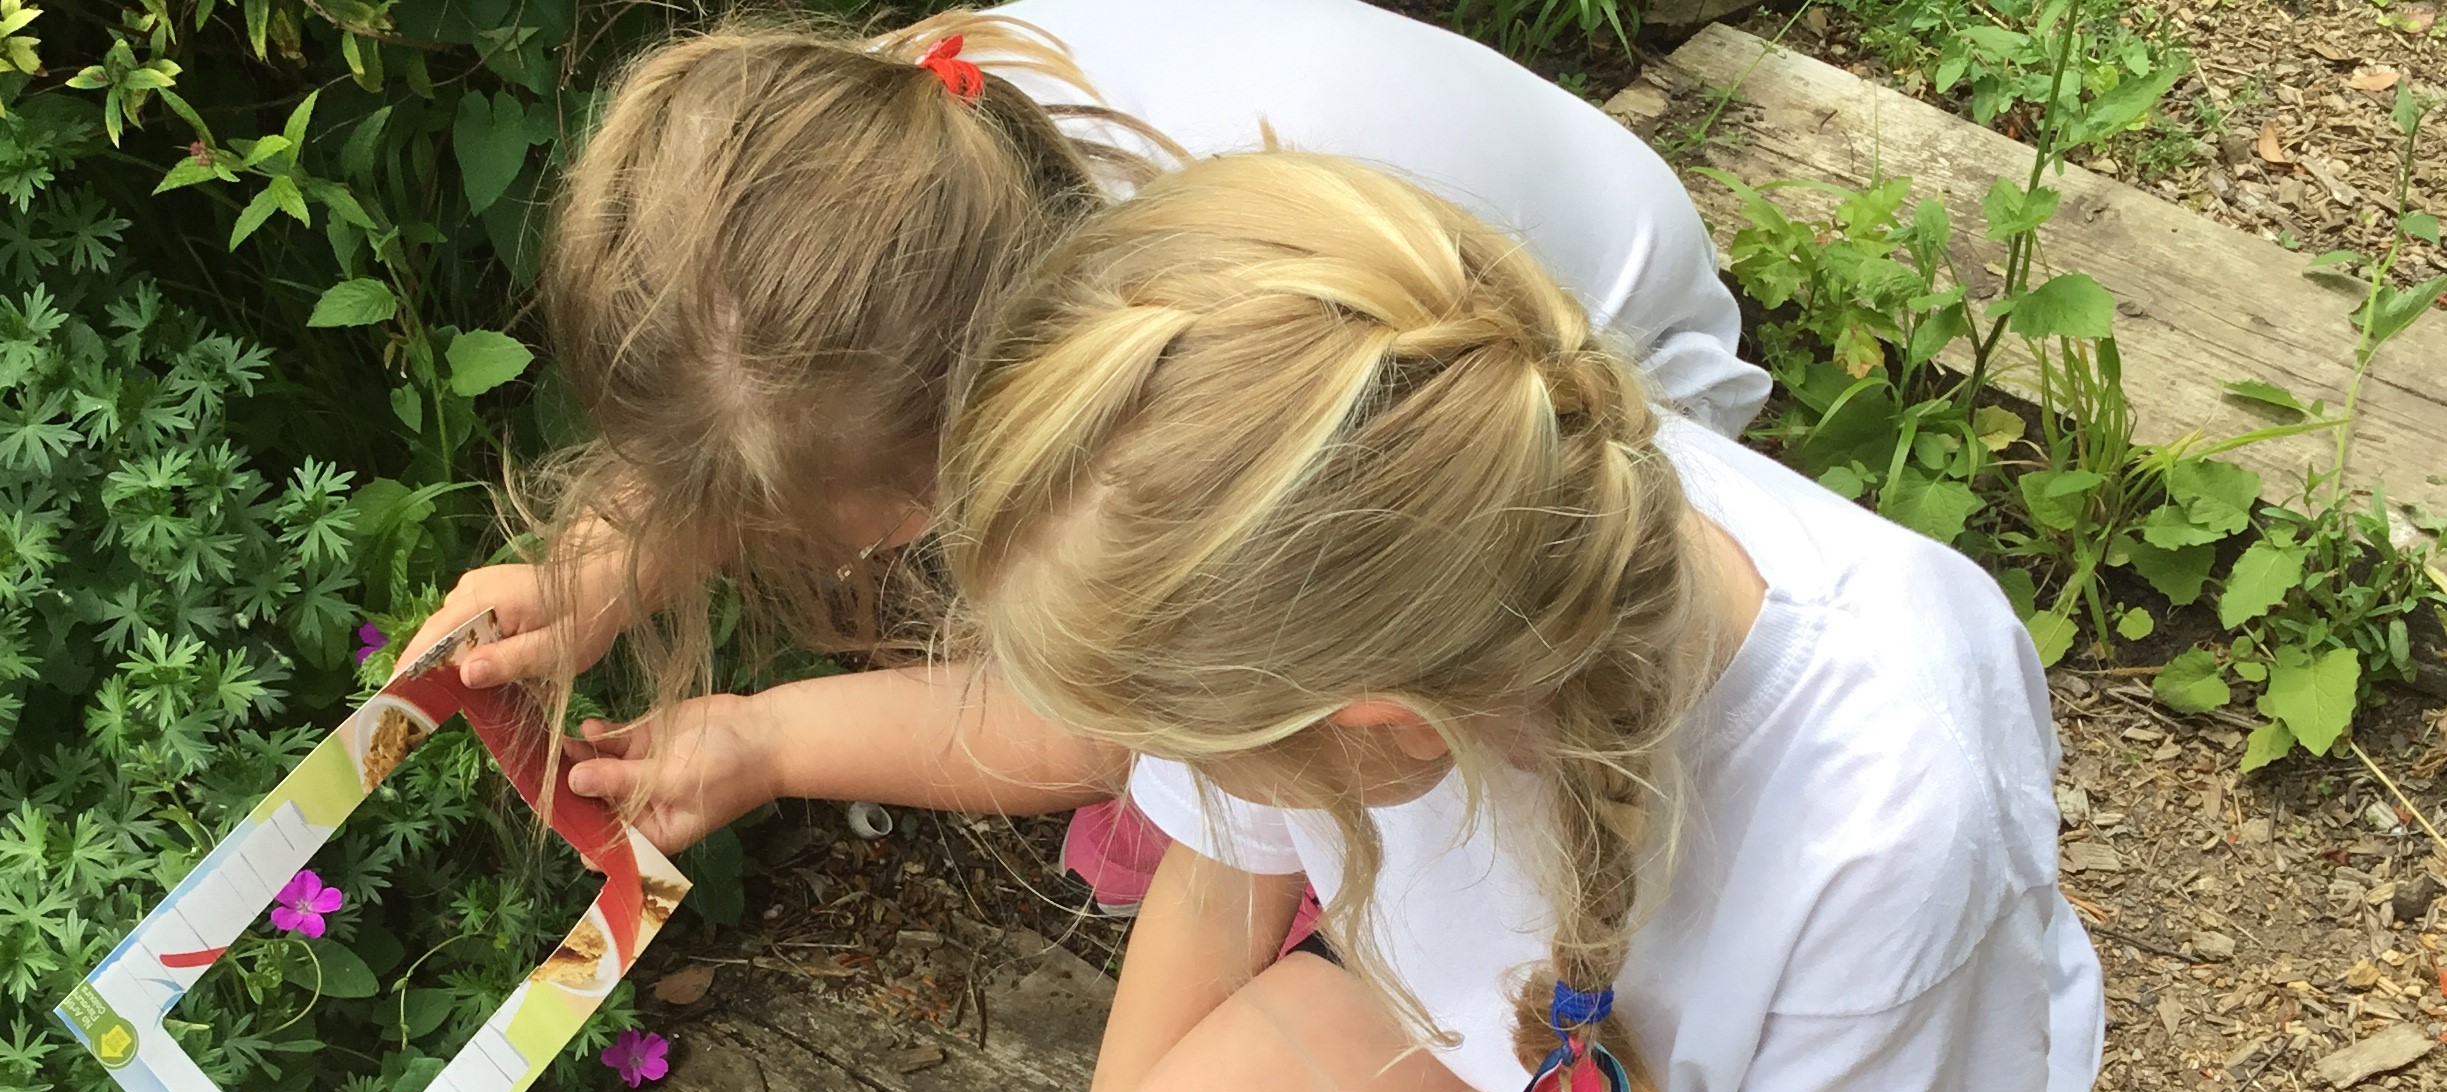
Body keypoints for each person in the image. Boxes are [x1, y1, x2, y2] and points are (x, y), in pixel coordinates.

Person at [928, 152, 2103, 1092]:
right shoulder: (1354, 560)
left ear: (1385, 732)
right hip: (1458, 997)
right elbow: (1215, 886)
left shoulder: (1888, 803)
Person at [400, 1, 1766, 895]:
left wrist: (764, 742)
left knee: (1290, 778)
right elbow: (752, 355)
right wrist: (605, 557)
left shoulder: (1215, 342)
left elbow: (1095, 704)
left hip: (1607, 427)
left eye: (874, 519)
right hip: (1448, 282)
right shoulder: (899, 146)